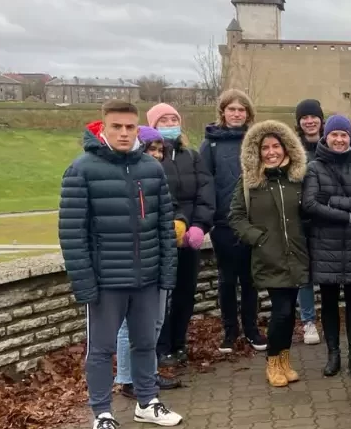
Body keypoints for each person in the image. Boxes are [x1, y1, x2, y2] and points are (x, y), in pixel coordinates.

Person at [59, 101, 182, 429]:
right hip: (106, 281)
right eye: (117, 127)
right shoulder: (81, 170)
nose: (124, 133)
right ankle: (102, 414)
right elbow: (72, 234)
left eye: (130, 127)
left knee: (145, 343)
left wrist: (166, 273)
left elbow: (164, 226)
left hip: (147, 278)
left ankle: (147, 401)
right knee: (101, 350)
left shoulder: (151, 169)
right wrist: (85, 282)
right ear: (104, 128)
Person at [229, 121, 311, 387]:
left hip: (296, 255)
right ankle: (272, 361)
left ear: (287, 147)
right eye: (265, 148)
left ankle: (284, 360)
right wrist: (258, 239)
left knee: (290, 312)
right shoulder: (250, 182)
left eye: (276, 146)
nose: (271, 152)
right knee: (282, 311)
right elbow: (236, 217)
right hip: (270, 256)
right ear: (257, 151)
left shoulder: (297, 179)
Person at [303, 114, 351, 379]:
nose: (339, 139)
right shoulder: (314, 167)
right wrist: (347, 216)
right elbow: (310, 204)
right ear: (326, 137)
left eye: (343, 135)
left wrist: (332, 201)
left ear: (350, 137)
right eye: (334, 134)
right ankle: (333, 354)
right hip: (326, 247)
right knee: (330, 304)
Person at [143, 103, 214, 368]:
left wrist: (199, 225)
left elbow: (206, 191)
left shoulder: (192, 156)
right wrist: (174, 224)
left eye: (174, 119)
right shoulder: (149, 157)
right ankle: (161, 347)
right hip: (164, 236)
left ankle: (179, 342)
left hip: (190, 237)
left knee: (185, 292)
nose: (170, 124)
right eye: (164, 120)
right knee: (163, 295)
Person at [114, 126, 183, 398]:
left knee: (155, 322)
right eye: (150, 149)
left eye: (160, 150)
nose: (156, 154)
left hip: (159, 257)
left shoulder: (158, 178)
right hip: (132, 262)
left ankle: (147, 373)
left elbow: (169, 211)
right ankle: (127, 378)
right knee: (128, 326)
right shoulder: (125, 178)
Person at [201, 90, 266, 353]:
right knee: (227, 280)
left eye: (241, 110)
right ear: (223, 112)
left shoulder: (256, 140)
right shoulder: (210, 144)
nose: (237, 114)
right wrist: (210, 217)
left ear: (248, 113)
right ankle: (230, 331)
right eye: (232, 109)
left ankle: (251, 329)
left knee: (251, 279)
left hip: (253, 221)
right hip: (223, 222)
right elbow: (205, 182)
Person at [292, 99, 325, 345]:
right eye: (305, 117)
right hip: (301, 219)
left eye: (314, 116)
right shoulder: (292, 148)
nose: (310, 121)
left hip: (328, 218)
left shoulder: (332, 144)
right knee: (304, 274)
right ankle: (308, 321)